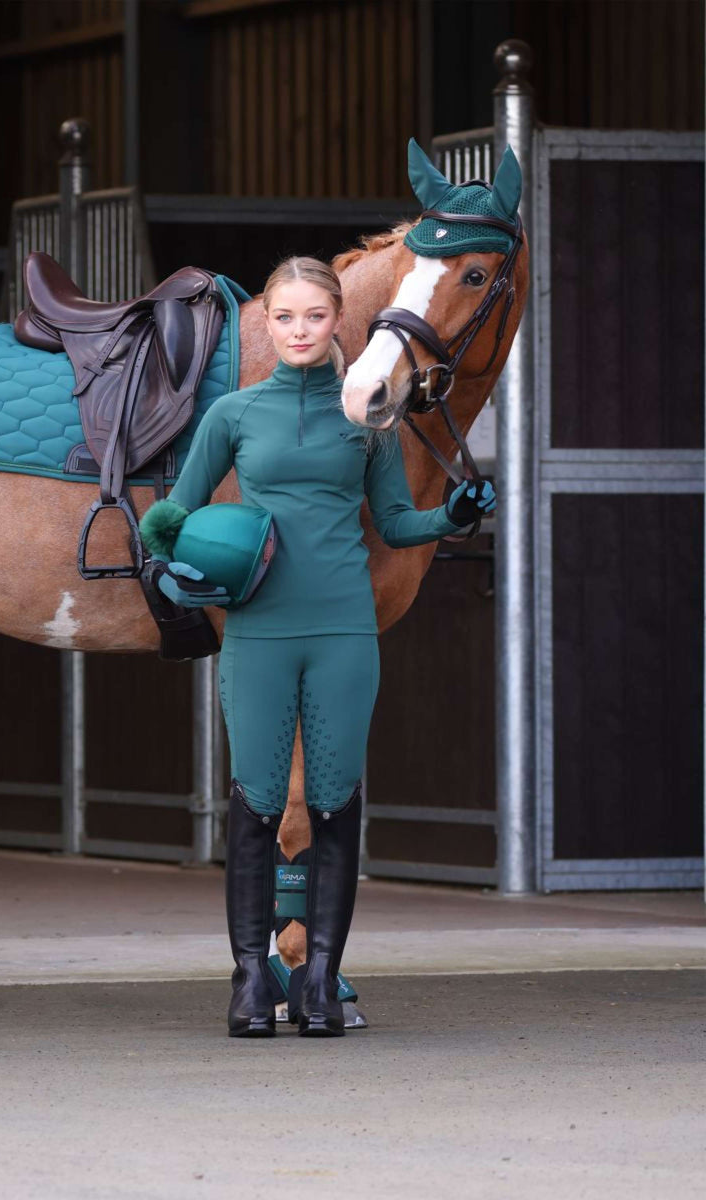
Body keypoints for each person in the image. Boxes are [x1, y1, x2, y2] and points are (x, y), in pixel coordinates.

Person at [139, 256, 495, 1038]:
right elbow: (168, 516)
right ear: (266, 323)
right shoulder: (232, 414)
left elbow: (397, 524)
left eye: (314, 317)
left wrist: (454, 517)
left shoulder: (369, 419)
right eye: (285, 317)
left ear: (339, 323)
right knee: (257, 804)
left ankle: (319, 984)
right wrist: (176, 572)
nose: (299, 331)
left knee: (334, 804)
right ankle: (247, 983)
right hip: (259, 631)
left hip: (343, 632)